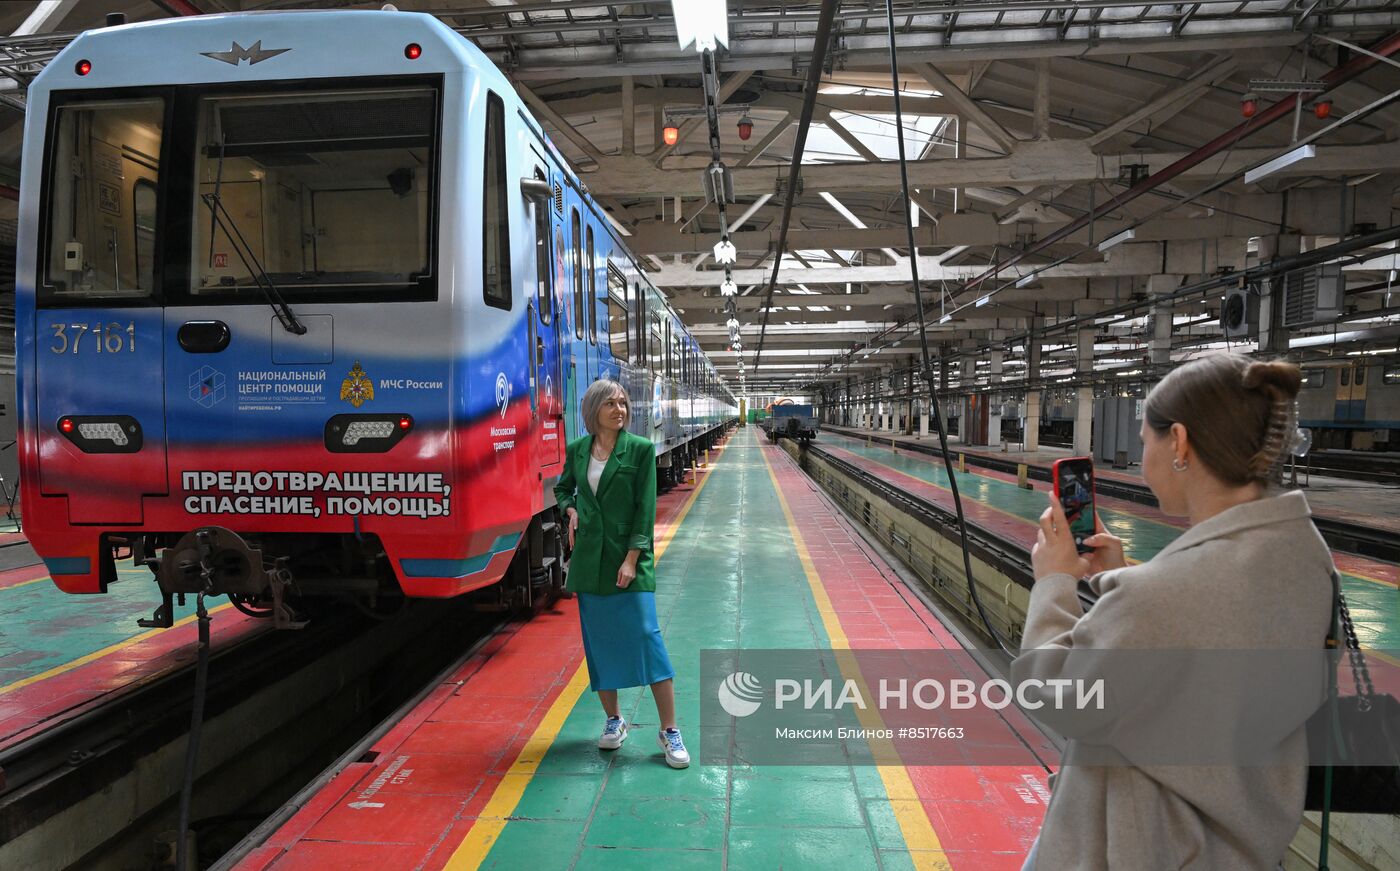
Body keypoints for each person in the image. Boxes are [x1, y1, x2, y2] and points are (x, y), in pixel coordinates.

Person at [1016, 355, 1332, 869]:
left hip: (1147, 849)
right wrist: (1115, 576)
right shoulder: (1300, 553)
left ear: (1179, 442)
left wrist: (1053, 583)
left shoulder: (1163, 597)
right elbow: (1208, 611)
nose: (1143, 459)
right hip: (1243, 838)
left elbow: (1054, 694)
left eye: (1145, 441)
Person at [554, 378, 688, 769]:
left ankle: (669, 730)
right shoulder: (578, 451)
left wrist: (632, 558)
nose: (620, 410)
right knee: (599, 642)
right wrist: (571, 510)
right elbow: (563, 490)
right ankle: (614, 720)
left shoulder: (641, 450)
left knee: (648, 636)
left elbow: (644, 509)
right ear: (593, 410)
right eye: (611, 404)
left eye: (623, 403)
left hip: (628, 559)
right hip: (589, 562)